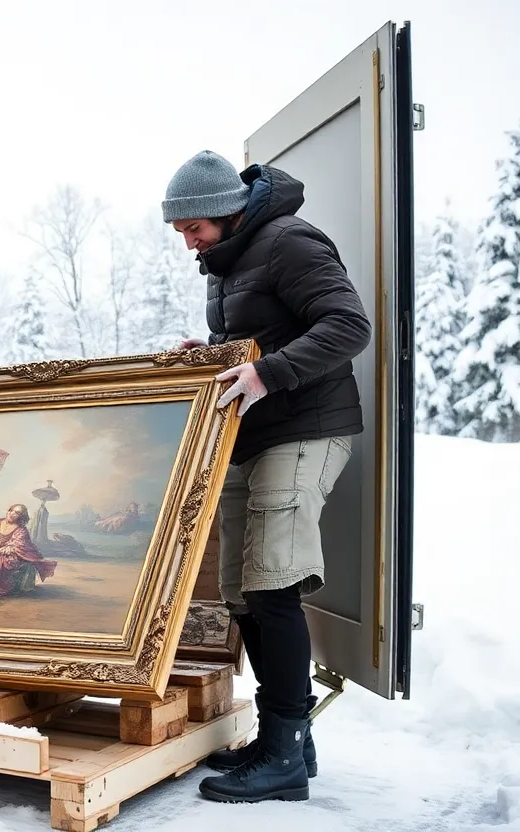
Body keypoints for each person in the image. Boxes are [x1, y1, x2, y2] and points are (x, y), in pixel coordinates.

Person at [161, 151, 371, 804]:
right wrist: (215, 355)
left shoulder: (288, 241)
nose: (186, 240)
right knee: (240, 588)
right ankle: (287, 742)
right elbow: (263, 337)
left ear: (227, 210)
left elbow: (347, 325)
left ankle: (283, 753)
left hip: (306, 428)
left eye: (192, 227)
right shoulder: (226, 263)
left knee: (273, 578)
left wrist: (264, 374)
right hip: (253, 434)